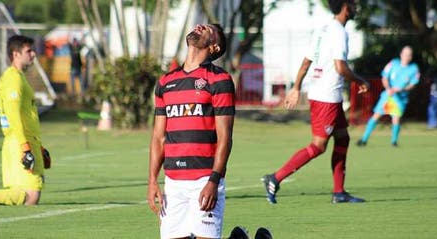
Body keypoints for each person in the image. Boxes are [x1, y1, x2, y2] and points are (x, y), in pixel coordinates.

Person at [261, 0, 370, 204]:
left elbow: (306, 62)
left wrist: (296, 88)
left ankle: (339, 192)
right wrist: (359, 80)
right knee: (318, 146)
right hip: (326, 96)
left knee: (343, 138)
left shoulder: (323, 29)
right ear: (346, 6)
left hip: (327, 95)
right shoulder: (339, 32)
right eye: (354, 4)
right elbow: (340, 67)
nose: (356, 7)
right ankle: (275, 178)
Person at [147, 24, 235, 239]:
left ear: (214, 47)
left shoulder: (219, 80)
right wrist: (152, 181)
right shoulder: (165, 82)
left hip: (204, 179)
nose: (201, 26)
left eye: (209, 30)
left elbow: (225, 137)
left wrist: (213, 181)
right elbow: (158, 138)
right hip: (173, 183)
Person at [0, 35, 51, 207]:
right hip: (19, 143)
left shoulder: (17, 77)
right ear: (15, 54)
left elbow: (25, 116)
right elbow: (13, 115)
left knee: (25, 196)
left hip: (21, 142)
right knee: (31, 195)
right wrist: (25, 148)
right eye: (28, 51)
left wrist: (39, 148)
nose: (33, 54)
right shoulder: (13, 79)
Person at [356, 46, 420, 147]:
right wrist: (388, 88)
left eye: (409, 55)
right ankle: (364, 139)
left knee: (396, 118)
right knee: (376, 116)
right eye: (405, 54)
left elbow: (413, 84)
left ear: (411, 57)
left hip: (400, 98)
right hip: (388, 95)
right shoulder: (393, 63)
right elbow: (384, 77)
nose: (406, 56)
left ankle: (394, 141)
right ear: (401, 54)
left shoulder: (413, 68)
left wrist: (401, 89)